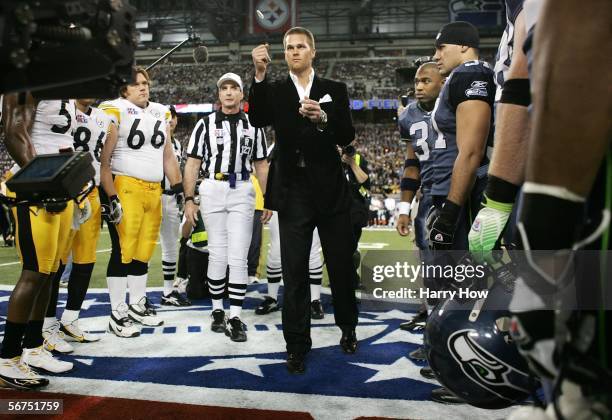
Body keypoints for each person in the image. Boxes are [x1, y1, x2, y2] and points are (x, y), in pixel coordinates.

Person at [250, 26, 359, 374]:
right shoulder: (278, 90)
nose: (294, 51)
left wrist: (323, 118)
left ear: (313, 51)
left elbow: (347, 134)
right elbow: (257, 118)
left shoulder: (334, 90)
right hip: (293, 188)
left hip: (330, 187)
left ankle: (348, 328)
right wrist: (260, 74)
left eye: (300, 46)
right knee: (294, 271)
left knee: (340, 265)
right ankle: (296, 345)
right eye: (289, 47)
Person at [424, 21, 496, 404]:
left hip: (470, 196)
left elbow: (471, 151)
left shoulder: (472, 75)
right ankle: (455, 359)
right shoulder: (463, 76)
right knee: (452, 282)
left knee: (470, 286)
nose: (437, 56)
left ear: (465, 47)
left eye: (442, 48)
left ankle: (473, 371)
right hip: (458, 193)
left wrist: (451, 210)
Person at [183, 72, 270, 343]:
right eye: (224, 88)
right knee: (217, 253)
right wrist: (188, 198)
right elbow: (193, 163)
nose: (229, 92)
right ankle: (217, 311)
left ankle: (235, 315)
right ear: (219, 94)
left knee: (239, 256)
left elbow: (262, 165)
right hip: (211, 186)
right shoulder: (204, 124)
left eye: (234, 88)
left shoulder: (254, 125)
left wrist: (268, 198)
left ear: (242, 94)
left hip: (243, 188)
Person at [0, 96, 78, 389]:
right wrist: (43, 182)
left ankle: (33, 348)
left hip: (58, 184)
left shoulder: (62, 82)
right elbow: (14, 131)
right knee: (34, 271)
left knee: (49, 272)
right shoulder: (30, 73)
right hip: (37, 188)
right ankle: (7, 359)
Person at [99, 67, 182, 337]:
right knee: (123, 250)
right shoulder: (115, 109)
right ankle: (117, 312)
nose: (143, 88)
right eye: (136, 85)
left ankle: (136, 304)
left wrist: (179, 187)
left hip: (154, 190)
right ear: (124, 90)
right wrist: (110, 194)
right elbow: (105, 158)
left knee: (144, 250)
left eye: (145, 83)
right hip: (126, 185)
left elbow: (167, 155)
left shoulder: (160, 111)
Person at [394, 61, 445, 358]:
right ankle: (435, 341)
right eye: (416, 80)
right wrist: (404, 208)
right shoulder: (409, 115)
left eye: (426, 80)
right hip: (427, 198)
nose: (419, 85)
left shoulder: (456, 105)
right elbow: (411, 165)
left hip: (456, 195)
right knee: (431, 275)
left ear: (442, 83)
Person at [55, 98, 110, 343]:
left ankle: (70, 318)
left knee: (86, 260)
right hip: (64, 189)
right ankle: (45, 325)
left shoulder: (104, 118)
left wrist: (112, 197)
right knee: (54, 263)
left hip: (93, 191)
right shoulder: (60, 109)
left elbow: (104, 162)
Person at [256, 211, 325, 319]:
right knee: (275, 252)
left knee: (311, 250)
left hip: (310, 199)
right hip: (280, 201)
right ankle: (272, 298)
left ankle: (314, 300)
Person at [159, 105, 191, 306]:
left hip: (171, 198)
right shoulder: (153, 139)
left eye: (172, 116)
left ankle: (168, 291)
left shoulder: (177, 144)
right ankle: (135, 295)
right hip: (154, 195)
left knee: (170, 245)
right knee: (139, 248)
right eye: (165, 117)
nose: (169, 120)